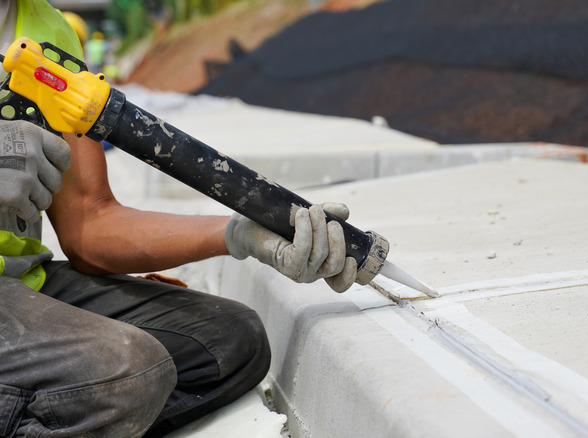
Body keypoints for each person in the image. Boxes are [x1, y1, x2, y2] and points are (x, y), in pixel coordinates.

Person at [0, 1, 358, 437]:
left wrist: (240, 235)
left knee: (229, 341)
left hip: (20, 283)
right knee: (126, 373)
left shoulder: (47, 27)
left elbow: (89, 223)